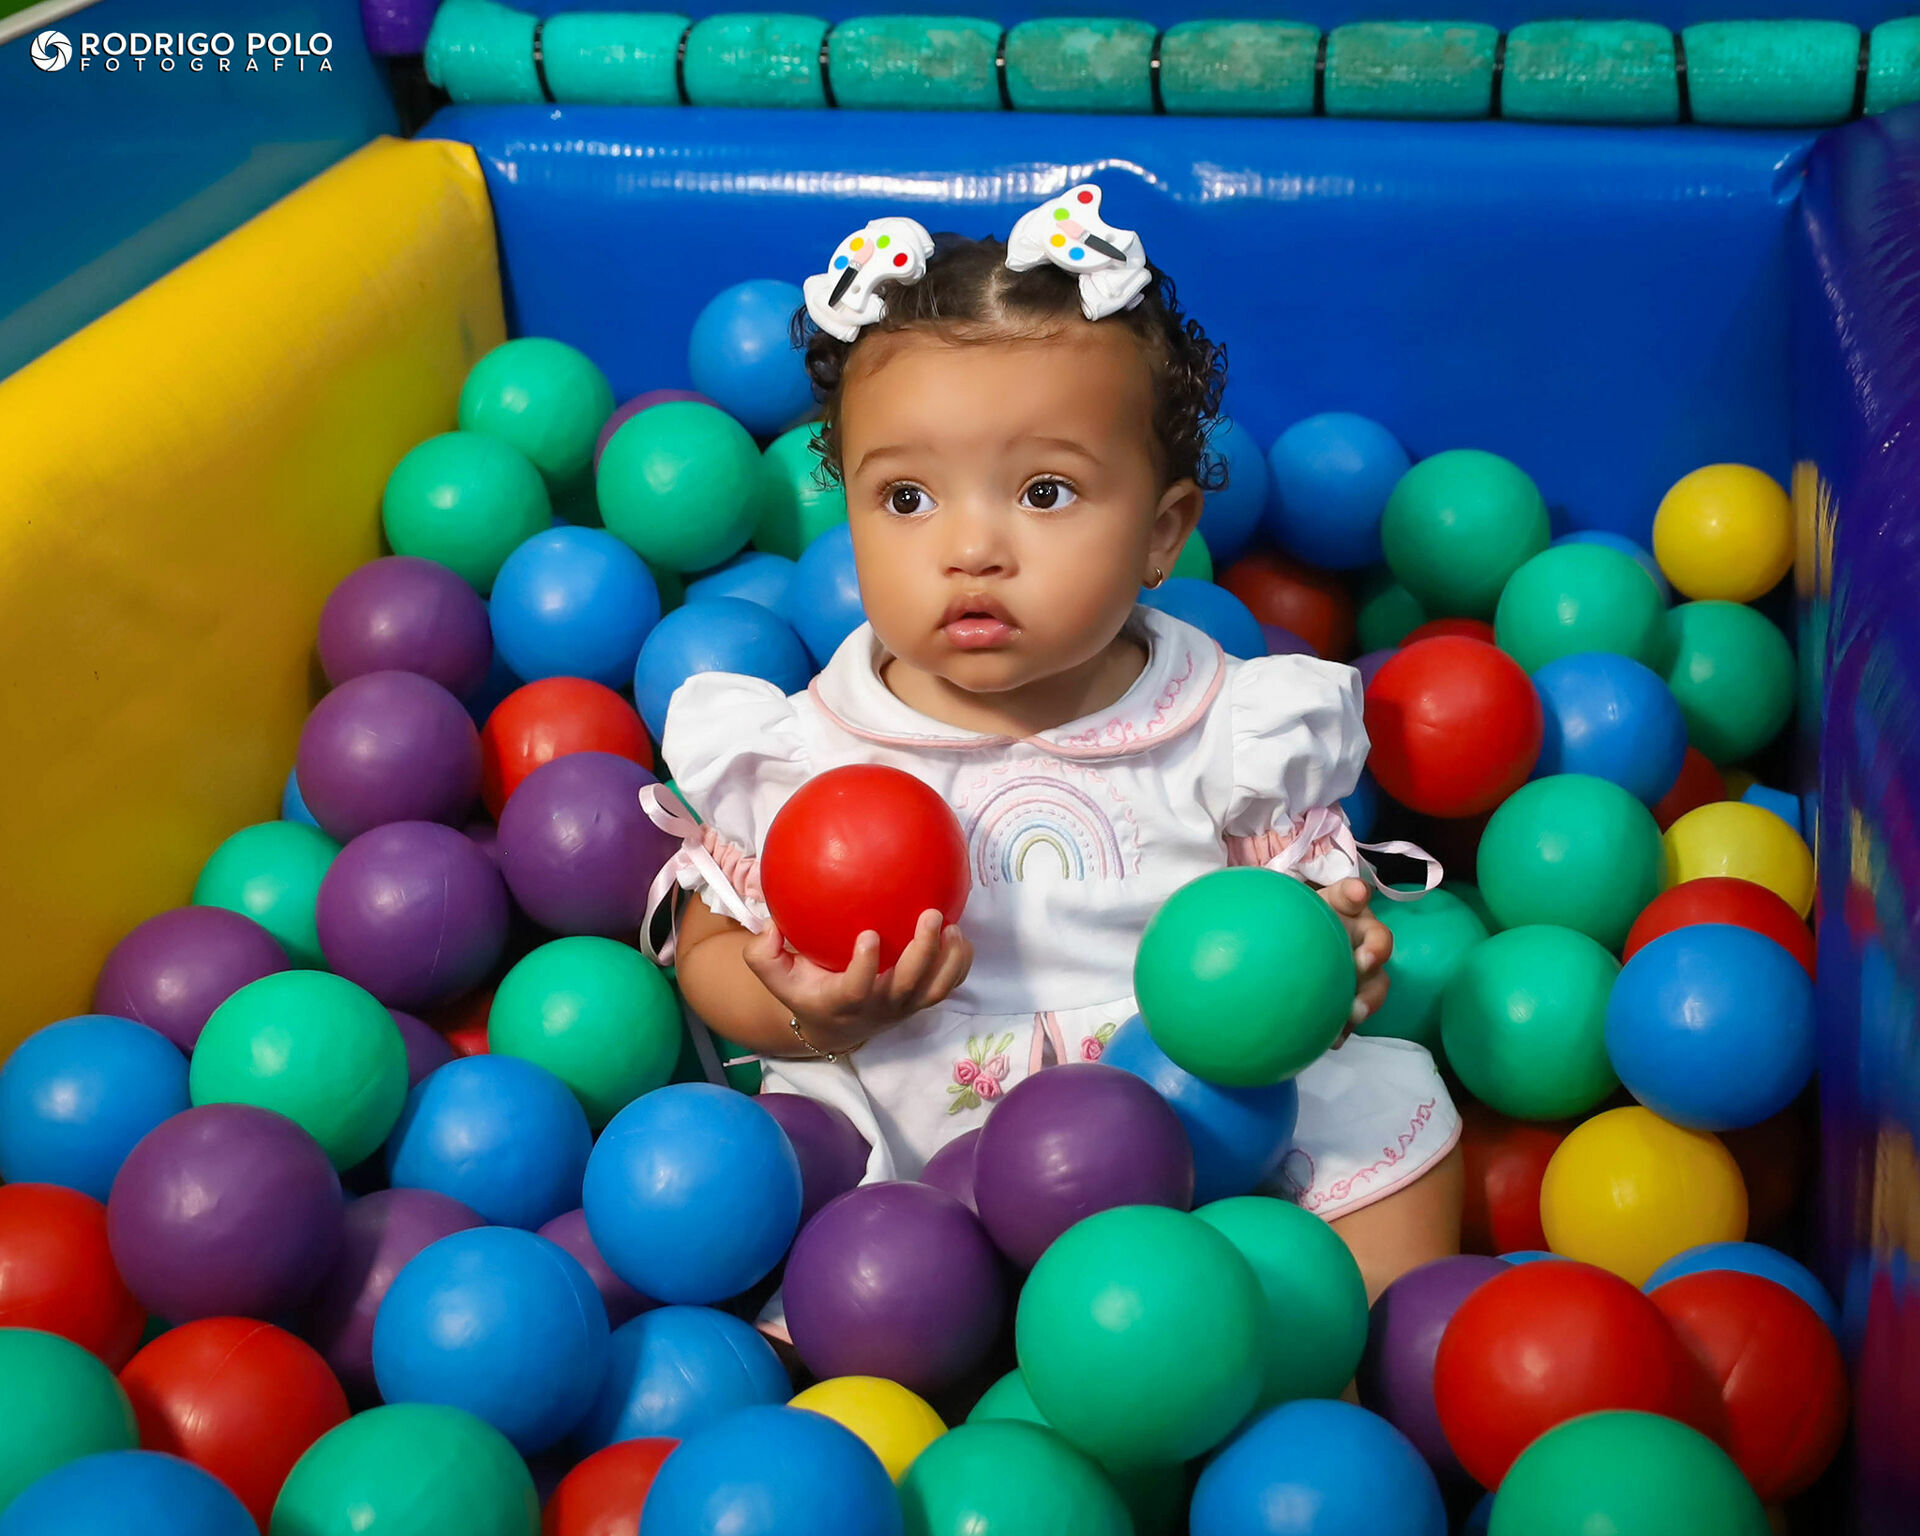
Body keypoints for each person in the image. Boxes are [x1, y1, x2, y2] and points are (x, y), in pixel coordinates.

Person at [649, 187, 1460, 1298]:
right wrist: (807, 1006)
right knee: (784, 1215)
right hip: (922, 1128)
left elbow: (1302, 920)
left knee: (1390, 1127)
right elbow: (711, 948)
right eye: (907, 497)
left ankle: (1344, 1383)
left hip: (1194, 1118)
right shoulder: (804, 752)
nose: (971, 547)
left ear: (1162, 534)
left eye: (1043, 490)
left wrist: (1331, 964)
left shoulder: (1233, 725)